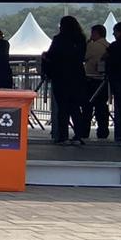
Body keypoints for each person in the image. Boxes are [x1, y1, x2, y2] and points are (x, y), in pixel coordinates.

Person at [45, 16, 87, 144]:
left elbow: (52, 55)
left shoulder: (59, 39)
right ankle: (79, 134)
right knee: (75, 107)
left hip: (61, 77)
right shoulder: (81, 39)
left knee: (62, 108)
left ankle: (62, 136)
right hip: (77, 76)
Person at [80, 24, 110, 140]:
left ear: (96, 33)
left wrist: (87, 43)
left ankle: (84, 131)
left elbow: (83, 56)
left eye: (92, 33)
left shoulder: (93, 46)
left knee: (87, 107)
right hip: (103, 81)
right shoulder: (108, 45)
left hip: (91, 79)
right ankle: (103, 131)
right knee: (102, 107)